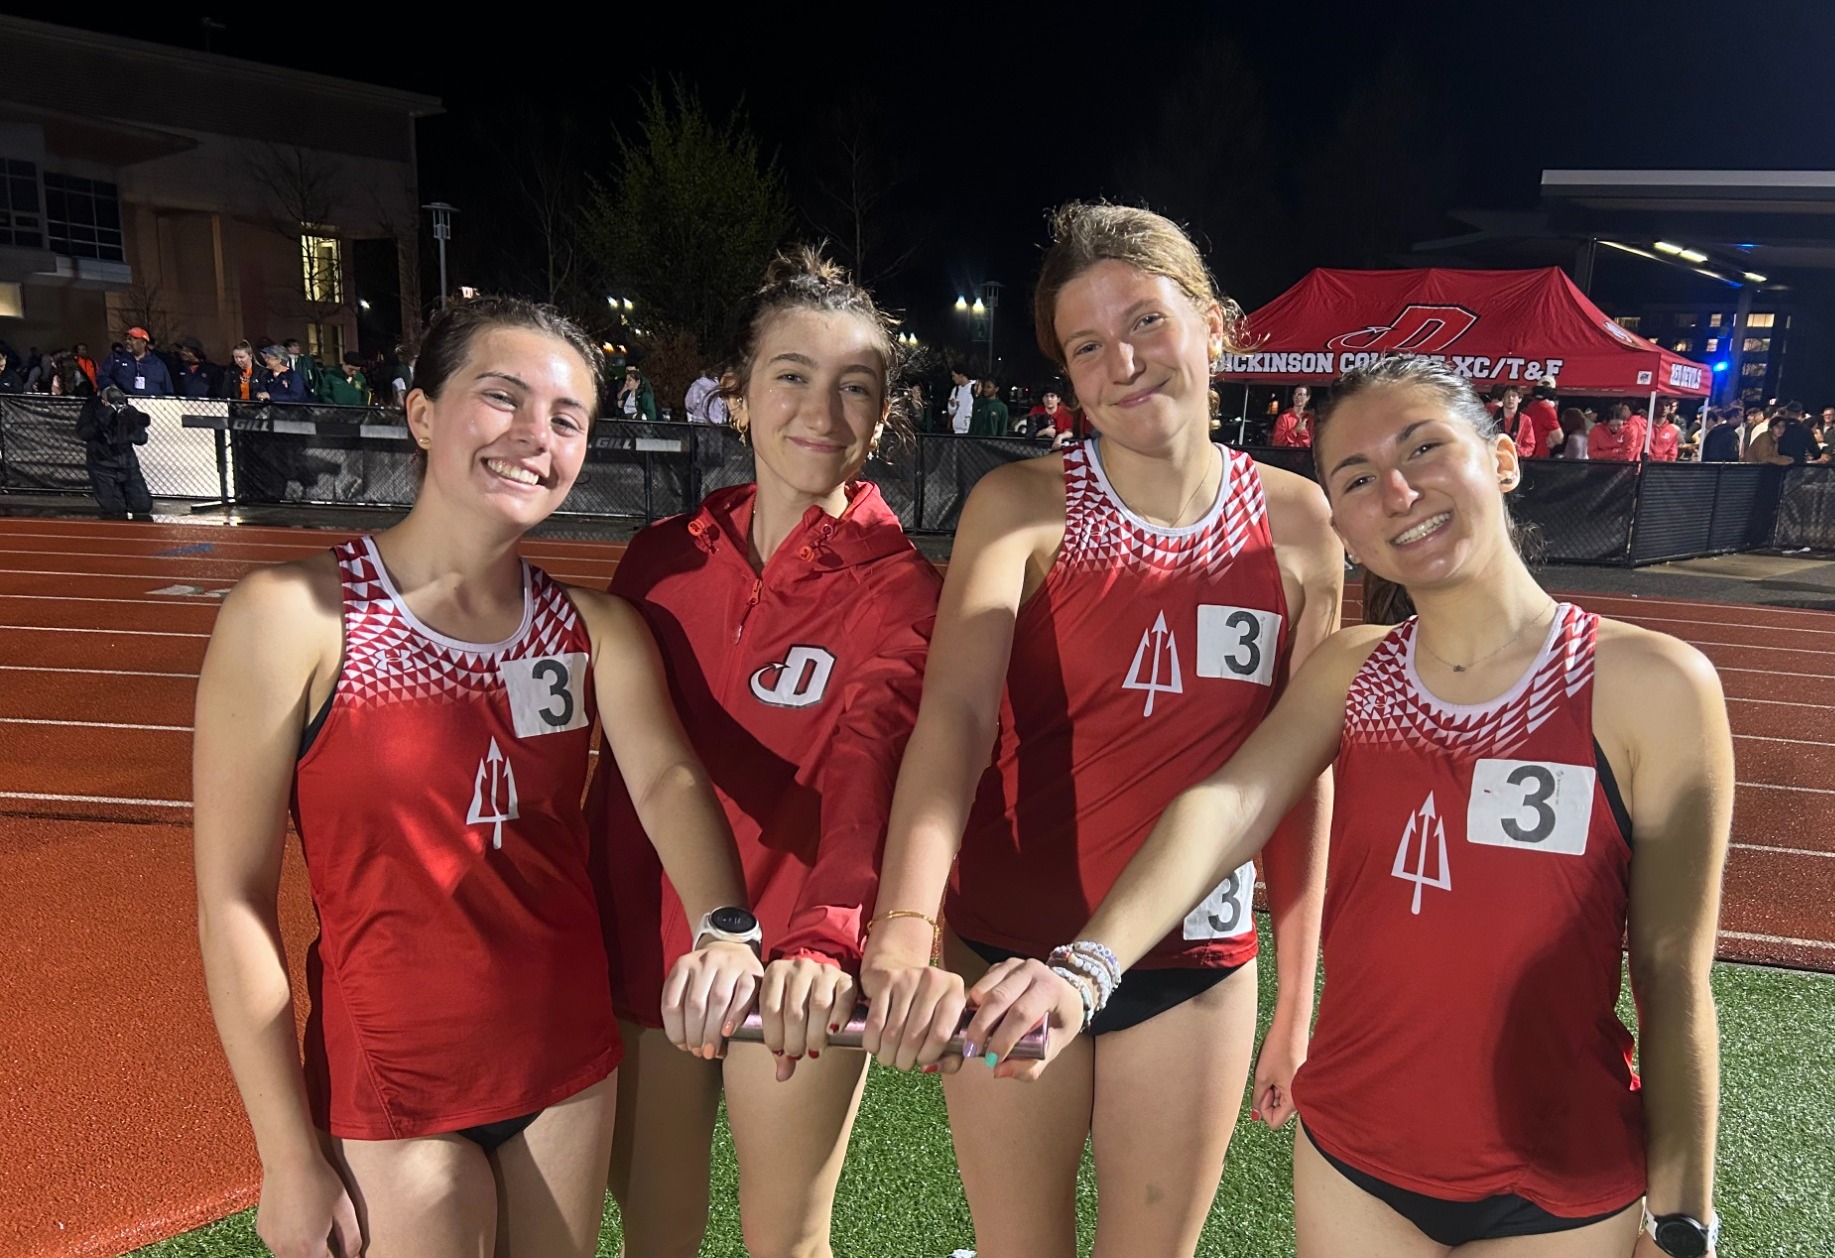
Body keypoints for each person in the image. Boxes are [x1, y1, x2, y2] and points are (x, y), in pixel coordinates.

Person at [966, 355, 1730, 1258]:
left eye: (1425, 448)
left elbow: (1674, 977)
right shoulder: (1351, 671)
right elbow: (1226, 804)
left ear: (1503, 456)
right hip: (1353, 1163)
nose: (1398, 492)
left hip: (1564, 1182)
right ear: (1343, 523)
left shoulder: (1653, 685)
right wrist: (1086, 969)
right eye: (1358, 478)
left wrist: (1684, 1221)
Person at [194, 297, 764, 1258]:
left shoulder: (594, 629)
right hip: (395, 1081)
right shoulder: (291, 616)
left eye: (566, 419)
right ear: (420, 414)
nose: (533, 438)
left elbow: (667, 781)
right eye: (500, 399)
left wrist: (727, 929)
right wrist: (287, 1156)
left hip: (567, 1065)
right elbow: (233, 903)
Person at [860, 202, 1344, 1258]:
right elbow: (951, 718)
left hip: (1192, 962)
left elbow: (1298, 778)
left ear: (1213, 325)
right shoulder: (1019, 505)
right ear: (1066, 376)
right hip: (1005, 944)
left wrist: (1298, 995)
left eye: (1145, 323)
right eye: (1086, 346)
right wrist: (904, 918)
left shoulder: (1302, 524)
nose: (1121, 362)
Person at [588, 246, 941, 1258]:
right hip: (649, 951)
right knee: (655, 1233)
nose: (819, 411)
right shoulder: (657, 559)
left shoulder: (901, 591)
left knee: (783, 1239)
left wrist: (825, 941)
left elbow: (868, 771)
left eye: (854, 388)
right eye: (790, 375)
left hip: (796, 960)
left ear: (881, 419)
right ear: (735, 395)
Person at [73, 384, 154, 518]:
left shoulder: (128, 412)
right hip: (102, 466)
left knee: (142, 506)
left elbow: (141, 439)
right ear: (103, 401)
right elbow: (84, 434)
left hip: (127, 465)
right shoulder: (92, 410)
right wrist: (105, 416)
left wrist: (129, 421)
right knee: (114, 510)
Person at [106, 327, 172, 397]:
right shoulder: (117, 359)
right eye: (126, 339)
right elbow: (103, 376)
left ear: (143, 343)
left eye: (131, 339)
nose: (127, 342)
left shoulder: (158, 364)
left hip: (151, 404)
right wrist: (111, 388)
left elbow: (168, 388)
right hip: (126, 403)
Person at [947, 366, 974, 434]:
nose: (953, 378)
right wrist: (952, 405)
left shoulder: (974, 387)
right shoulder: (955, 390)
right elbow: (951, 412)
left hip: (971, 429)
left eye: (954, 376)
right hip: (958, 429)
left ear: (961, 375)